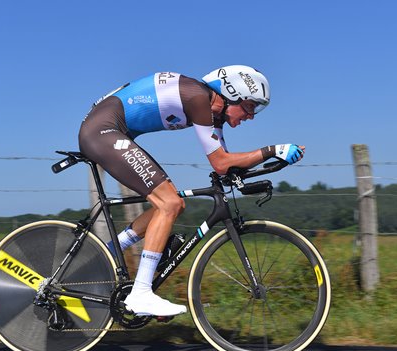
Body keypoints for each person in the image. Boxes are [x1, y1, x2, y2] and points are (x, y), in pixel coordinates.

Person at [78, 65, 305, 317]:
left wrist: (256, 167)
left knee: (173, 203)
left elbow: (225, 166)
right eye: (250, 106)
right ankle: (141, 293)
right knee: (169, 204)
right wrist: (271, 151)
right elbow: (220, 162)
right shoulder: (198, 98)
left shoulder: (213, 112)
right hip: (101, 132)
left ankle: (105, 253)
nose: (250, 116)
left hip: (108, 131)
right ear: (230, 93)